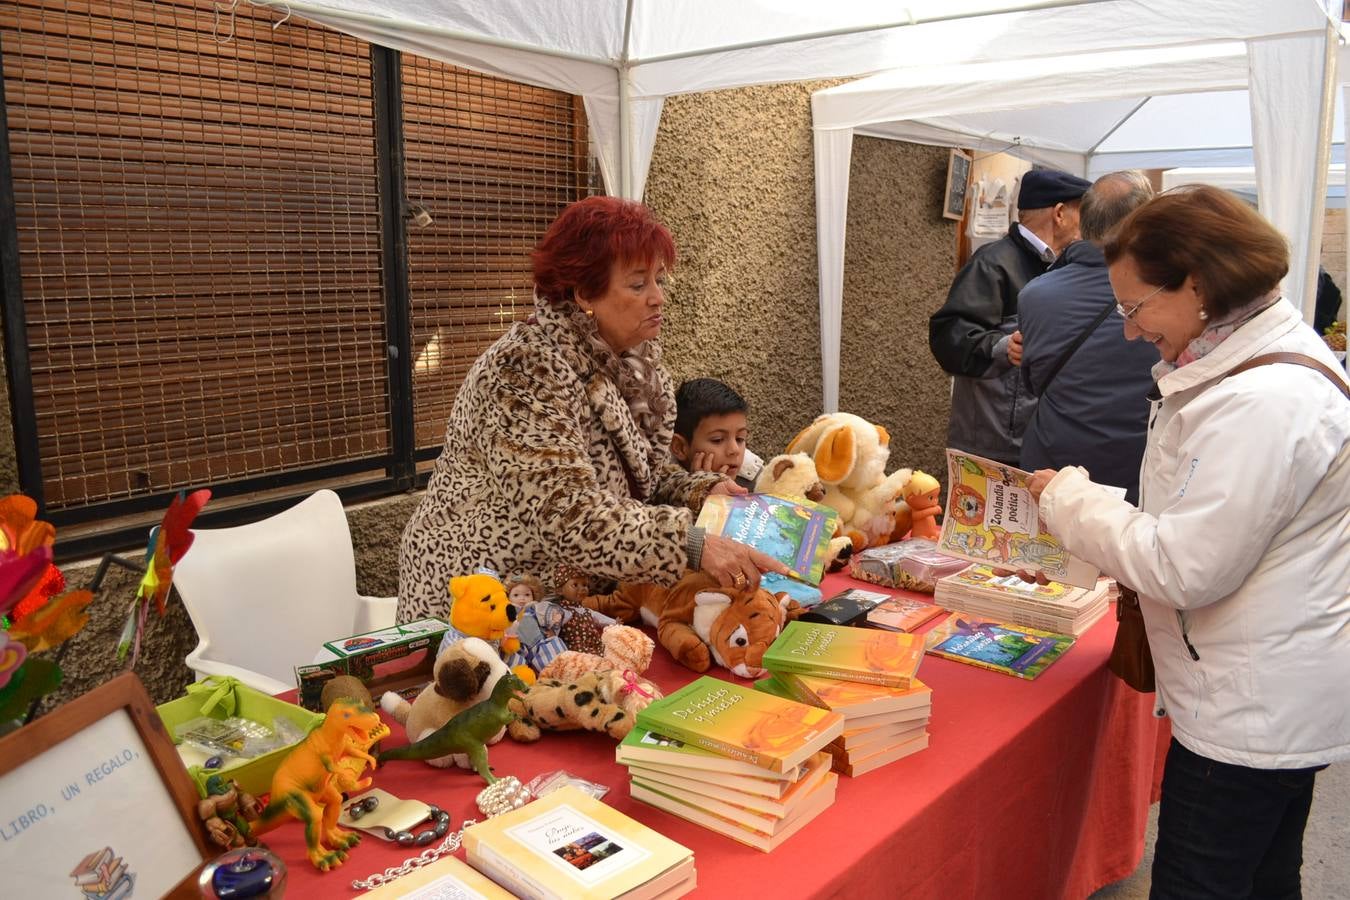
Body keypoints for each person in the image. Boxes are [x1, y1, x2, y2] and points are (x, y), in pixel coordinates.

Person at [1026, 185, 1350, 898]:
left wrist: (1069, 499)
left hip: (1249, 709)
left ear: (1198, 286)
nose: (1130, 331)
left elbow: (1183, 567)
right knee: (1264, 877)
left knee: (1202, 881)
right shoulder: (1247, 370)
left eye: (1135, 307)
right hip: (1266, 688)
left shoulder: (1263, 403)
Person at [397, 196, 788, 623]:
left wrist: (699, 490)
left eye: (659, 280)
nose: (657, 298)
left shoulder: (630, 362)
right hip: (485, 604)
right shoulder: (523, 369)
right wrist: (692, 545)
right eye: (638, 285)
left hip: (568, 600)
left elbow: (638, 477)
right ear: (584, 294)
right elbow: (569, 515)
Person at [930, 167, 1091, 465]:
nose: (1089, 226)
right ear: (1059, 214)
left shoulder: (1067, 267)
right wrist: (1003, 347)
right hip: (992, 449)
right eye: (1083, 213)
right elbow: (948, 337)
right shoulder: (993, 263)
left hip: (1041, 442)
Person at [1017, 171, 1158, 503]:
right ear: (1144, 221)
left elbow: (1031, 380)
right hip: (1137, 471)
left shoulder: (1035, 294)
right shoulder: (1165, 293)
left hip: (1052, 466)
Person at [671, 377, 756, 488]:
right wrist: (699, 489)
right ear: (680, 447)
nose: (735, 450)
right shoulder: (661, 485)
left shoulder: (754, 474)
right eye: (718, 440)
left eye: (740, 439)